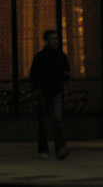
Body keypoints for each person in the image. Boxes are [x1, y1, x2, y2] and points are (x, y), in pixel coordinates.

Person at [29, 30, 71, 160]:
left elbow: (66, 70)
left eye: (56, 39)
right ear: (46, 41)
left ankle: (60, 148)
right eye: (52, 39)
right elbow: (34, 74)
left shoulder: (61, 56)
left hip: (56, 91)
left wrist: (66, 76)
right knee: (43, 122)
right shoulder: (40, 57)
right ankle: (43, 148)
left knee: (57, 120)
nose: (55, 41)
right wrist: (37, 88)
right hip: (44, 92)